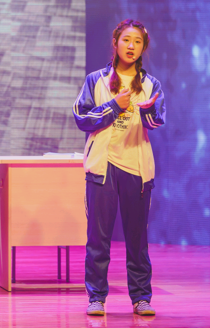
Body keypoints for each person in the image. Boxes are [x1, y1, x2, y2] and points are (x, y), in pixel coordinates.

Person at [73, 19, 166, 317]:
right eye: (126, 40)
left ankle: (141, 298)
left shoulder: (151, 85)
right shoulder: (96, 80)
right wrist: (114, 106)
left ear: (143, 48)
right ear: (115, 43)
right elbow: (81, 118)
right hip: (103, 168)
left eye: (137, 42)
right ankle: (96, 297)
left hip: (136, 169)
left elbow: (157, 121)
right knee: (97, 240)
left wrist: (148, 110)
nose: (131, 46)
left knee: (137, 239)